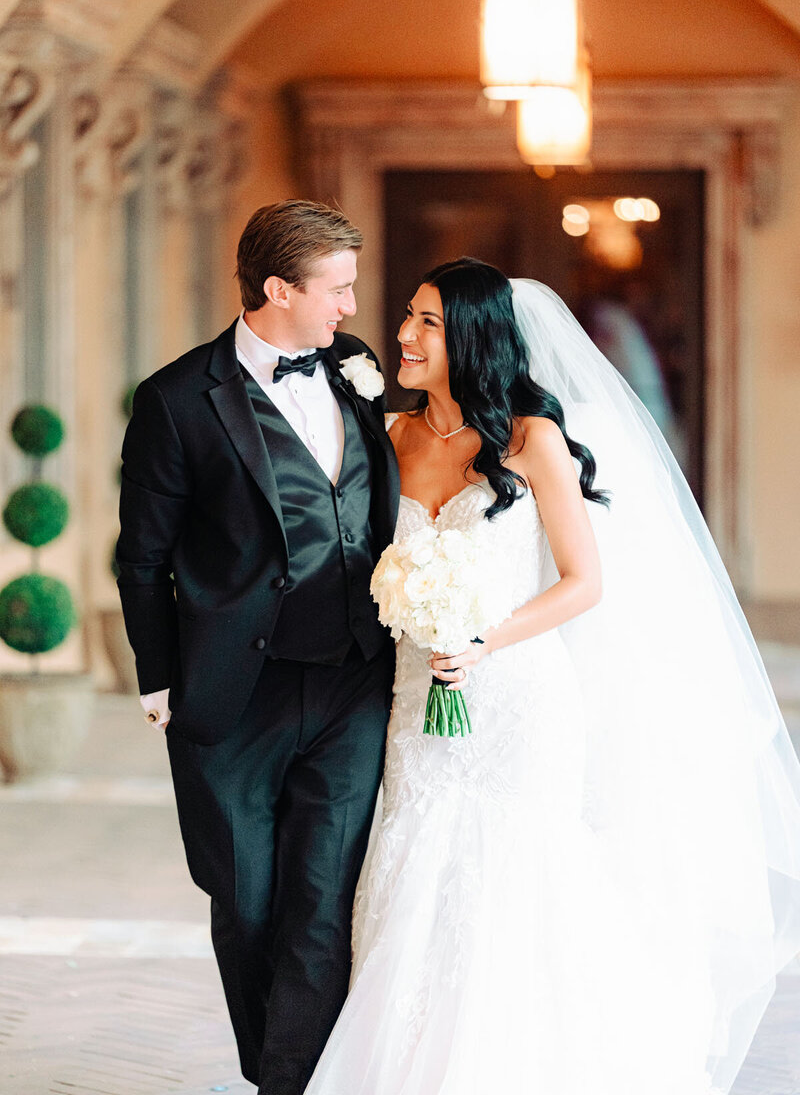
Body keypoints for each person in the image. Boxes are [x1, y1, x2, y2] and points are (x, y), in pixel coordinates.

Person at [304, 258, 800, 1095]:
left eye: (426, 321)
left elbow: (583, 582)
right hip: (417, 700)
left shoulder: (534, 439)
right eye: (410, 317)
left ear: (471, 335)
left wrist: (483, 638)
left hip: (517, 703)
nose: (403, 334)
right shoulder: (392, 437)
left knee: (515, 883)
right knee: (410, 873)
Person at [115, 200, 399, 1095]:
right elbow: (142, 557)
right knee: (244, 905)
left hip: (354, 682)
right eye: (337, 289)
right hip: (232, 694)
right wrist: (159, 681)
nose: (352, 309)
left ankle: (292, 1084)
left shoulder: (356, 371)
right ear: (279, 289)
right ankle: (273, 1067)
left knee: (320, 906)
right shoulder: (174, 401)